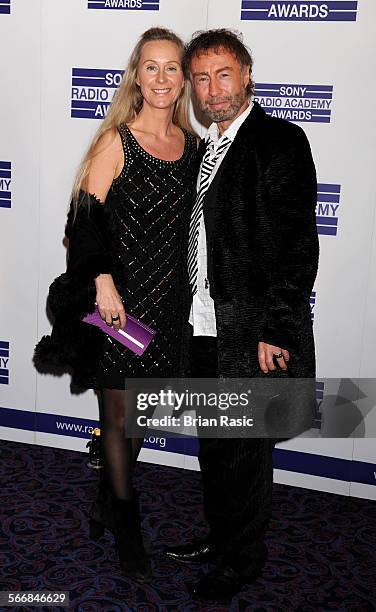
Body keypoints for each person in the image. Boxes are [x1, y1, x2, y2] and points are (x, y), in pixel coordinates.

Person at [34, 27, 197, 583]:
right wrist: (101, 280)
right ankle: (129, 528)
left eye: (171, 67)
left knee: (138, 419)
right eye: (150, 67)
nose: (161, 78)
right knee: (118, 414)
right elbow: (81, 220)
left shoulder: (195, 147)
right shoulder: (116, 142)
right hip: (121, 306)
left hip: (169, 306)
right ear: (137, 76)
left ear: (183, 79)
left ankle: (107, 496)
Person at [164, 29, 319, 600]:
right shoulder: (204, 146)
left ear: (247, 74)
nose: (212, 88)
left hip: (251, 333)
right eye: (201, 78)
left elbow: (297, 244)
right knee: (216, 444)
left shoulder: (279, 140)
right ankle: (219, 536)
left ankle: (242, 560)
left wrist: (276, 329)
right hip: (204, 327)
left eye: (223, 74)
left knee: (247, 452)